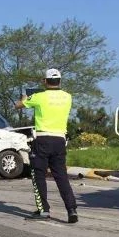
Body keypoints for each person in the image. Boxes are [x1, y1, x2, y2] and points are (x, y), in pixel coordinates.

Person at [16, 68, 78, 223]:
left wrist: (25, 97)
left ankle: (43, 210)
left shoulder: (38, 97)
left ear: (44, 81)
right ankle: (72, 210)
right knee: (61, 176)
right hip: (60, 141)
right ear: (60, 81)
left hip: (43, 140)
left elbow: (18, 105)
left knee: (38, 175)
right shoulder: (68, 97)